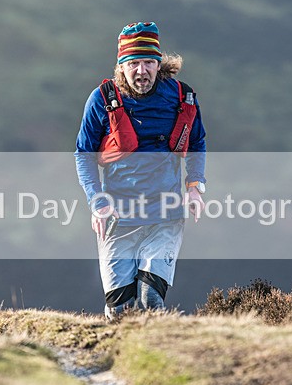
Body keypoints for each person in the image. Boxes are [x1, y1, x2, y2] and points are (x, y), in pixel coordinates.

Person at [74, 21, 207, 320]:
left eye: (149, 62)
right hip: (118, 217)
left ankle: (156, 359)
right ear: (121, 66)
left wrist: (195, 186)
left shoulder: (182, 97)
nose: (141, 71)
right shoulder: (102, 100)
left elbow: (197, 141)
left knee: (150, 301)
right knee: (121, 311)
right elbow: (84, 155)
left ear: (160, 63)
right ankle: (120, 361)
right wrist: (97, 200)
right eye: (133, 63)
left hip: (166, 215)